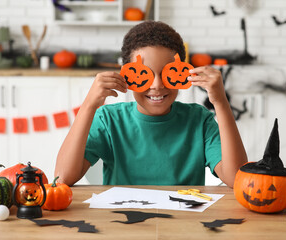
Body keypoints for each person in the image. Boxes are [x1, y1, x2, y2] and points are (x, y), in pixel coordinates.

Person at [55, 21, 247, 187]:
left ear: (182, 72)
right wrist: (89, 105)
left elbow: (236, 178)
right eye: (144, 75)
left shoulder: (199, 120)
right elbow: (62, 178)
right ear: (127, 75)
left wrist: (220, 102)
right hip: (122, 223)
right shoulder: (108, 120)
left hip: (184, 224)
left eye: (167, 73)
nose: (157, 85)